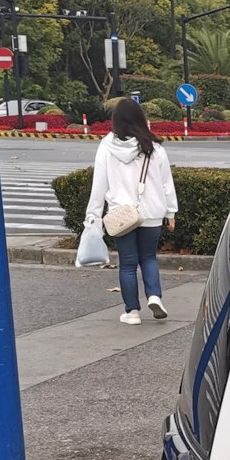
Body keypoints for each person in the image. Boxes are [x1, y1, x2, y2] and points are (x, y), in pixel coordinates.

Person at [85, 99, 177, 325]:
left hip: (121, 215)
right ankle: (154, 296)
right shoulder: (154, 148)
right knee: (148, 257)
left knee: (127, 263)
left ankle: (132, 312)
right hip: (151, 213)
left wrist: (93, 215)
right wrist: (171, 212)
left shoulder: (106, 147)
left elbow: (99, 184)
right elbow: (167, 183)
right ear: (140, 119)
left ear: (115, 120)